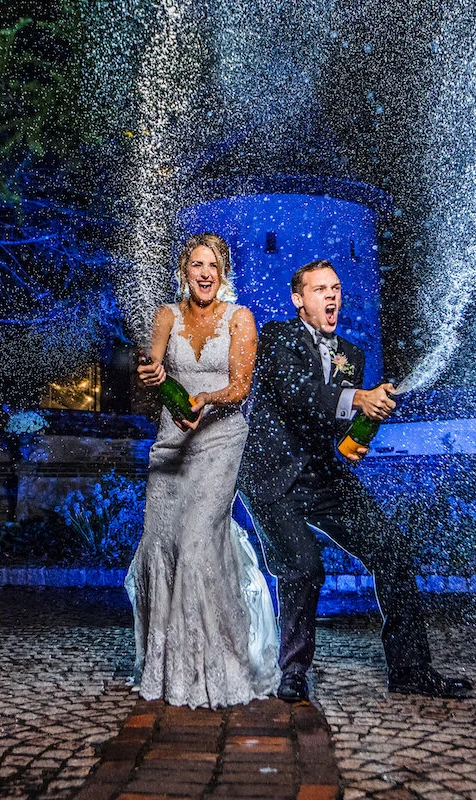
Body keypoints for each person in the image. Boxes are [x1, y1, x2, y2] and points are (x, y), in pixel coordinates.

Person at [237, 258, 474, 702]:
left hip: (323, 474)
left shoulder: (353, 355)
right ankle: (292, 672)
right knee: (304, 566)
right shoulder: (274, 338)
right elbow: (299, 395)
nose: (331, 296)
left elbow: (336, 422)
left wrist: (354, 438)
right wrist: (358, 399)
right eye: (320, 289)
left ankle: (410, 669)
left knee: (392, 549)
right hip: (272, 477)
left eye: (337, 288)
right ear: (298, 299)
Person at [125, 233, 280, 708]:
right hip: (171, 441)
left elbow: (240, 386)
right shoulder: (166, 316)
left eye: (213, 265)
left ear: (224, 272)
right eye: (197, 264)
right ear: (184, 270)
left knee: (195, 541)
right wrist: (151, 376)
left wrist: (204, 398)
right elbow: (152, 373)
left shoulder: (240, 319)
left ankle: (218, 665)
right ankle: (168, 665)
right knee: (161, 542)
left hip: (219, 437)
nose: (205, 273)